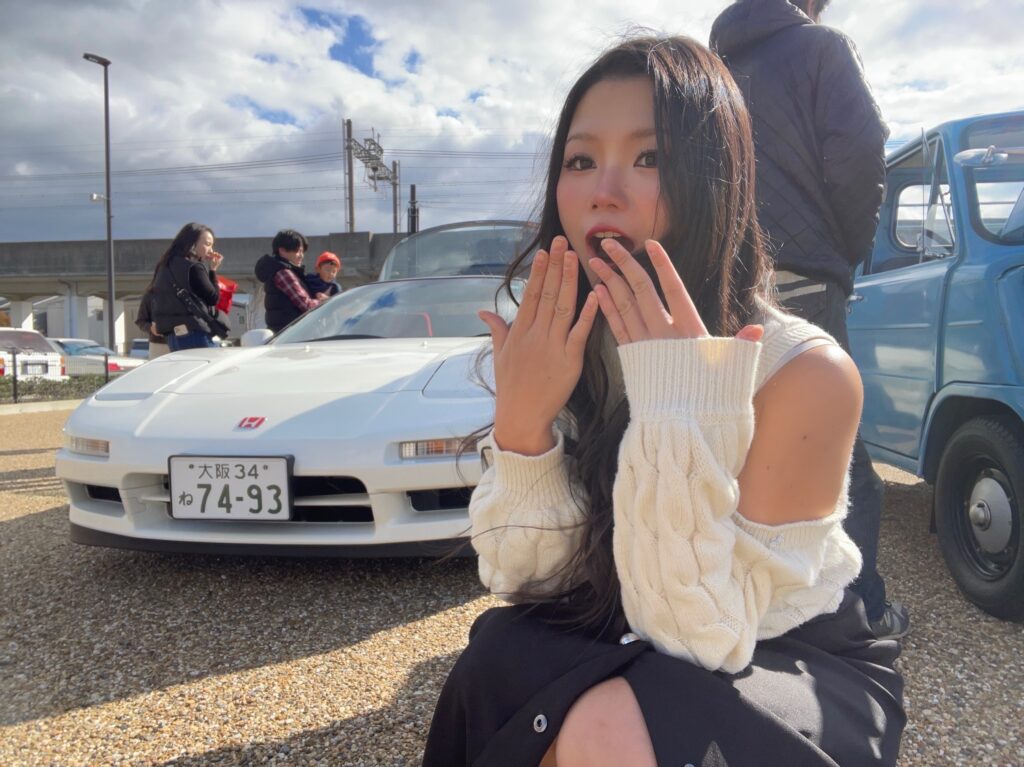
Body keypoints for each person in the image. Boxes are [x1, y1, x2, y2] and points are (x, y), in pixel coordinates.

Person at [422, 36, 904, 767]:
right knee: (498, 661)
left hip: (781, 644)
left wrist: (679, 404)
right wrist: (522, 431)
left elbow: (700, 632)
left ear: (715, 178)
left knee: (603, 724)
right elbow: (529, 584)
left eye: (649, 158)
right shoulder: (569, 343)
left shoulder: (805, 371)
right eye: (580, 161)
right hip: (622, 613)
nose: (602, 190)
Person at [710, 0, 909, 641]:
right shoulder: (822, 48)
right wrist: (846, 252)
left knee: (732, 451)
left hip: (722, 287)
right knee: (839, 460)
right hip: (803, 280)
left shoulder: (710, 68)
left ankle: (749, 611)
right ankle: (855, 615)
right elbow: (859, 157)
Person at [151, 222, 225, 351]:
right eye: (207, 244)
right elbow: (213, 298)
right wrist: (213, 270)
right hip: (195, 333)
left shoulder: (164, 266)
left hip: (173, 336)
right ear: (192, 243)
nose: (211, 250)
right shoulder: (194, 267)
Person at [254, 229, 325, 333]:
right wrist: (325, 302)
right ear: (282, 250)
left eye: (302, 251)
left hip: (285, 335)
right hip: (291, 335)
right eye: (297, 251)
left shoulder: (281, 270)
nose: (301, 255)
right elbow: (306, 305)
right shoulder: (284, 274)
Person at [135, 287, 169, 359]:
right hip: (159, 344)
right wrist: (151, 328)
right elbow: (140, 320)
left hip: (183, 342)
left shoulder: (185, 292)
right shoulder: (150, 295)